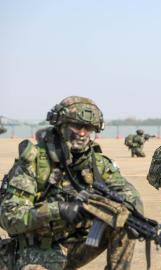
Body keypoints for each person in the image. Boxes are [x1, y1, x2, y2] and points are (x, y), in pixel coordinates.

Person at [0, 96, 143, 270]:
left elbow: (129, 194)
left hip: (76, 246)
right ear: (61, 125)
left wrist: (130, 213)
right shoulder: (34, 162)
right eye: (77, 126)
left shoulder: (97, 163)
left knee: (124, 221)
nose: (82, 133)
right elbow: (9, 218)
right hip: (36, 250)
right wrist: (58, 210)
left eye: (88, 128)